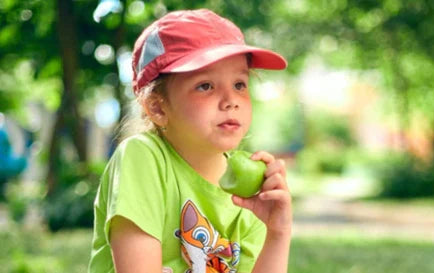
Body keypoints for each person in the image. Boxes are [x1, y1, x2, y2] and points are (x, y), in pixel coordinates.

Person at [88, 9, 291, 273]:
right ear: (158, 108)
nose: (231, 100)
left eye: (240, 84)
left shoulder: (250, 192)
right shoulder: (143, 156)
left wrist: (278, 232)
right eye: (205, 85)